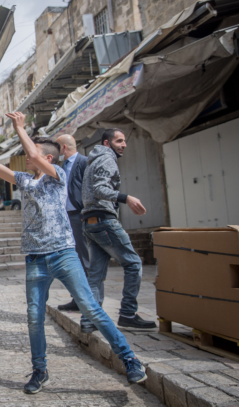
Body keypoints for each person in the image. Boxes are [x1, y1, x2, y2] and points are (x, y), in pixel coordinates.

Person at [0, 113, 146, 394]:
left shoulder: (59, 178)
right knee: (34, 316)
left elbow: (33, 151)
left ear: (49, 159)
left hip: (63, 254)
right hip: (35, 258)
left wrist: (20, 128)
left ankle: (130, 360)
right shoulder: (25, 180)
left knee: (90, 307)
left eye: (32, 155)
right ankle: (40, 370)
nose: (27, 158)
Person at [80, 129, 156, 334]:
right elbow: (99, 189)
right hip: (104, 221)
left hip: (90, 223)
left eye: (124, 141)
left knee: (95, 275)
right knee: (133, 263)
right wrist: (127, 198)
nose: (123, 145)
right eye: (119, 141)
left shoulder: (93, 161)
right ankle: (128, 314)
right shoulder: (107, 159)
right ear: (107, 143)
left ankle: (89, 321)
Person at [55, 135, 91, 312]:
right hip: (66, 217)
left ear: (63, 148)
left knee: (84, 257)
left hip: (80, 216)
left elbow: (90, 188)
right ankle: (77, 298)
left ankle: (88, 300)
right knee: (72, 258)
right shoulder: (63, 166)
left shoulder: (84, 162)